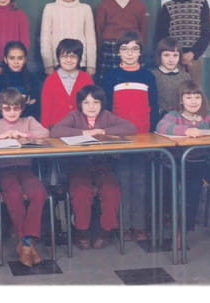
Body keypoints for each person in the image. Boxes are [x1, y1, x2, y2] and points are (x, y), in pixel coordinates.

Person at [156, 81, 210, 244]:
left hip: (203, 160)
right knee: (193, 188)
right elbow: (162, 126)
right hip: (181, 162)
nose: (193, 101)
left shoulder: (207, 114)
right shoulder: (174, 115)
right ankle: (183, 230)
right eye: (188, 97)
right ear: (181, 100)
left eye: (197, 97)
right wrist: (186, 130)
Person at [51, 85, 136, 250]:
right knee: (81, 191)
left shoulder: (106, 116)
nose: (91, 107)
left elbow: (130, 127)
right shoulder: (74, 116)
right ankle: (82, 230)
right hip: (79, 166)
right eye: (87, 102)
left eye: (96, 102)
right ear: (80, 104)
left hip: (102, 166)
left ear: (102, 104)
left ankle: (105, 230)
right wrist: (84, 133)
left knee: (111, 190)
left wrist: (103, 131)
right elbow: (56, 131)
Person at [0, 88, 50, 266]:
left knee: (39, 193)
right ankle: (27, 243)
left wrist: (25, 135)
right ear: (0, 108)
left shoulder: (28, 121)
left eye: (16, 108)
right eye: (7, 109)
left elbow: (45, 133)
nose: (12, 112)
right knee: (13, 194)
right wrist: (0, 136)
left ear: (22, 108)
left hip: (25, 168)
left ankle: (25, 242)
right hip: (4, 170)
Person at [100, 31, 158, 241]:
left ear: (140, 52)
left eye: (134, 49)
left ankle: (139, 225)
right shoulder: (111, 76)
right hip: (120, 139)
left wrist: (152, 138)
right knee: (122, 181)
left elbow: (154, 107)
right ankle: (123, 225)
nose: (129, 53)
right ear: (118, 52)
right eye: (125, 49)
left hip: (143, 138)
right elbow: (106, 111)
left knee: (140, 182)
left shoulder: (147, 76)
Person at [154, 0, 210, 86]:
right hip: (174, 56)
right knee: (175, 88)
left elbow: (206, 33)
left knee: (194, 89)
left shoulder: (201, 3)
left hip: (195, 56)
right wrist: (175, 54)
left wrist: (193, 53)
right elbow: (163, 35)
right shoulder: (167, 7)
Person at [94, 0, 149, 82]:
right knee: (109, 83)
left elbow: (143, 32)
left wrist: (135, 48)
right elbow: (98, 31)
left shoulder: (140, 5)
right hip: (110, 50)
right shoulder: (103, 5)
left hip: (133, 49)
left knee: (135, 83)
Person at [40, 0, 97, 76]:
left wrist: (91, 64)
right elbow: (45, 39)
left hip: (80, 62)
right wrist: (48, 64)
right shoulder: (50, 8)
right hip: (57, 63)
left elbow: (91, 39)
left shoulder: (85, 9)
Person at [40, 38, 94, 128]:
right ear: (58, 58)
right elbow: (46, 109)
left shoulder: (86, 79)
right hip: (56, 127)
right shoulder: (50, 80)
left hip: (81, 127)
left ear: (79, 58)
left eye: (73, 56)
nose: (68, 60)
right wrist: (45, 130)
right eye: (64, 56)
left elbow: (92, 104)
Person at [0, 41, 41, 120]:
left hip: (26, 122)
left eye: (20, 58)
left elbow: (36, 109)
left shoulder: (33, 80)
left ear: (25, 59)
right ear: (5, 59)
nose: (16, 62)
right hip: (3, 123)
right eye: (12, 58)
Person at [151, 37, 192, 117]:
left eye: (175, 55)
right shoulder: (153, 76)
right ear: (159, 56)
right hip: (159, 118)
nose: (171, 60)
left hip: (181, 118)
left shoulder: (185, 77)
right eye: (166, 55)